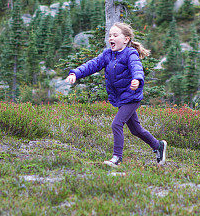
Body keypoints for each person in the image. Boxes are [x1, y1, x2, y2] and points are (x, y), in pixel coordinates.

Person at [66, 22, 168, 167]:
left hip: (132, 97)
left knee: (116, 124)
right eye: (109, 35)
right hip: (121, 98)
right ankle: (158, 146)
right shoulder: (107, 55)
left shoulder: (130, 53)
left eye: (115, 35)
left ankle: (117, 158)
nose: (111, 38)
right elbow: (92, 65)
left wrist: (137, 80)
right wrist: (75, 73)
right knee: (135, 129)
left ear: (126, 39)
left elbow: (136, 68)